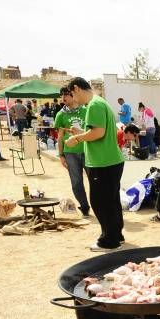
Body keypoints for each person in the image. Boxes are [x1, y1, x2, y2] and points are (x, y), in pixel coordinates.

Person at [65, 77, 125, 252]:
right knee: (111, 201)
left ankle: (109, 241)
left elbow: (98, 132)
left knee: (99, 202)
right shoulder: (101, 103)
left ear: (76, 89)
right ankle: (116, 235)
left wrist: (77, 138)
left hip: (103, 162)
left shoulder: (94, 105)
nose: (74, 101)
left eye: (72, 95)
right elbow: (101, 132)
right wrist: (83, 133)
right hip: (111, 161)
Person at [55, 86, 90, 216]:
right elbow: (60, 136)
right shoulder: (60, 114)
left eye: (66, 94)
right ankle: (84, 205)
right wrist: (61, 155)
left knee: (94, 180)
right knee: (76, 182)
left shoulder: (86, 111)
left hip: (87, 150)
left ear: (73, 95)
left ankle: (99, 205)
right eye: (62, 95)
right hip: (70, 153)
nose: (63, 98)